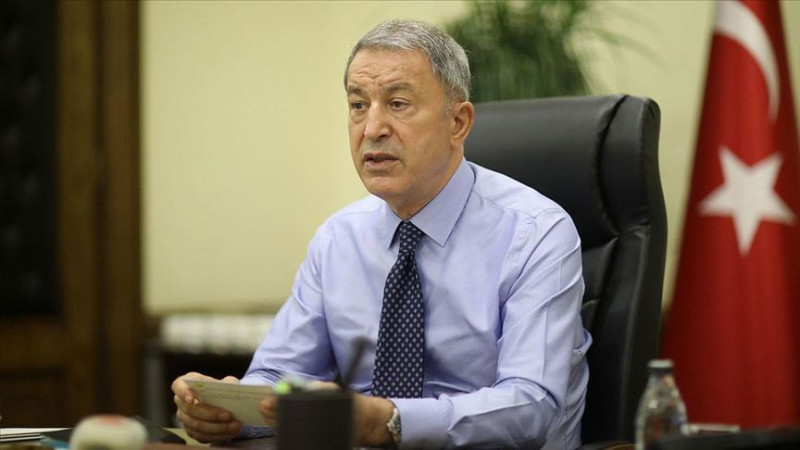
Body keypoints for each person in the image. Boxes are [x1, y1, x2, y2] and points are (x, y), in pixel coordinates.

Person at [172, 19, 591, 449]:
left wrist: (388, 421)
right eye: (358, 105)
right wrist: (231, 411)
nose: (372, 128)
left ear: (458, 122)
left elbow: (530, 405)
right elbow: (281, 377)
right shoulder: (339, 239)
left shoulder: (537, 233)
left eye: (397, 103)